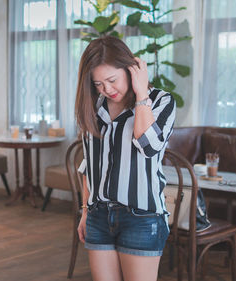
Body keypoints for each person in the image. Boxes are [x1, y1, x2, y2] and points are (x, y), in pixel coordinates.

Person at [75, 36, 176, 281]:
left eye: (112, 80)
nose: (106, 90)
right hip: (98, 216)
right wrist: (85, 211)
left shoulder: (161, 102)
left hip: (142, 217)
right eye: (98, 84)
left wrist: (142, 94)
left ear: (131, 69)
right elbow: (91, 166)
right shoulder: (94, 107)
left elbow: (149, 146)